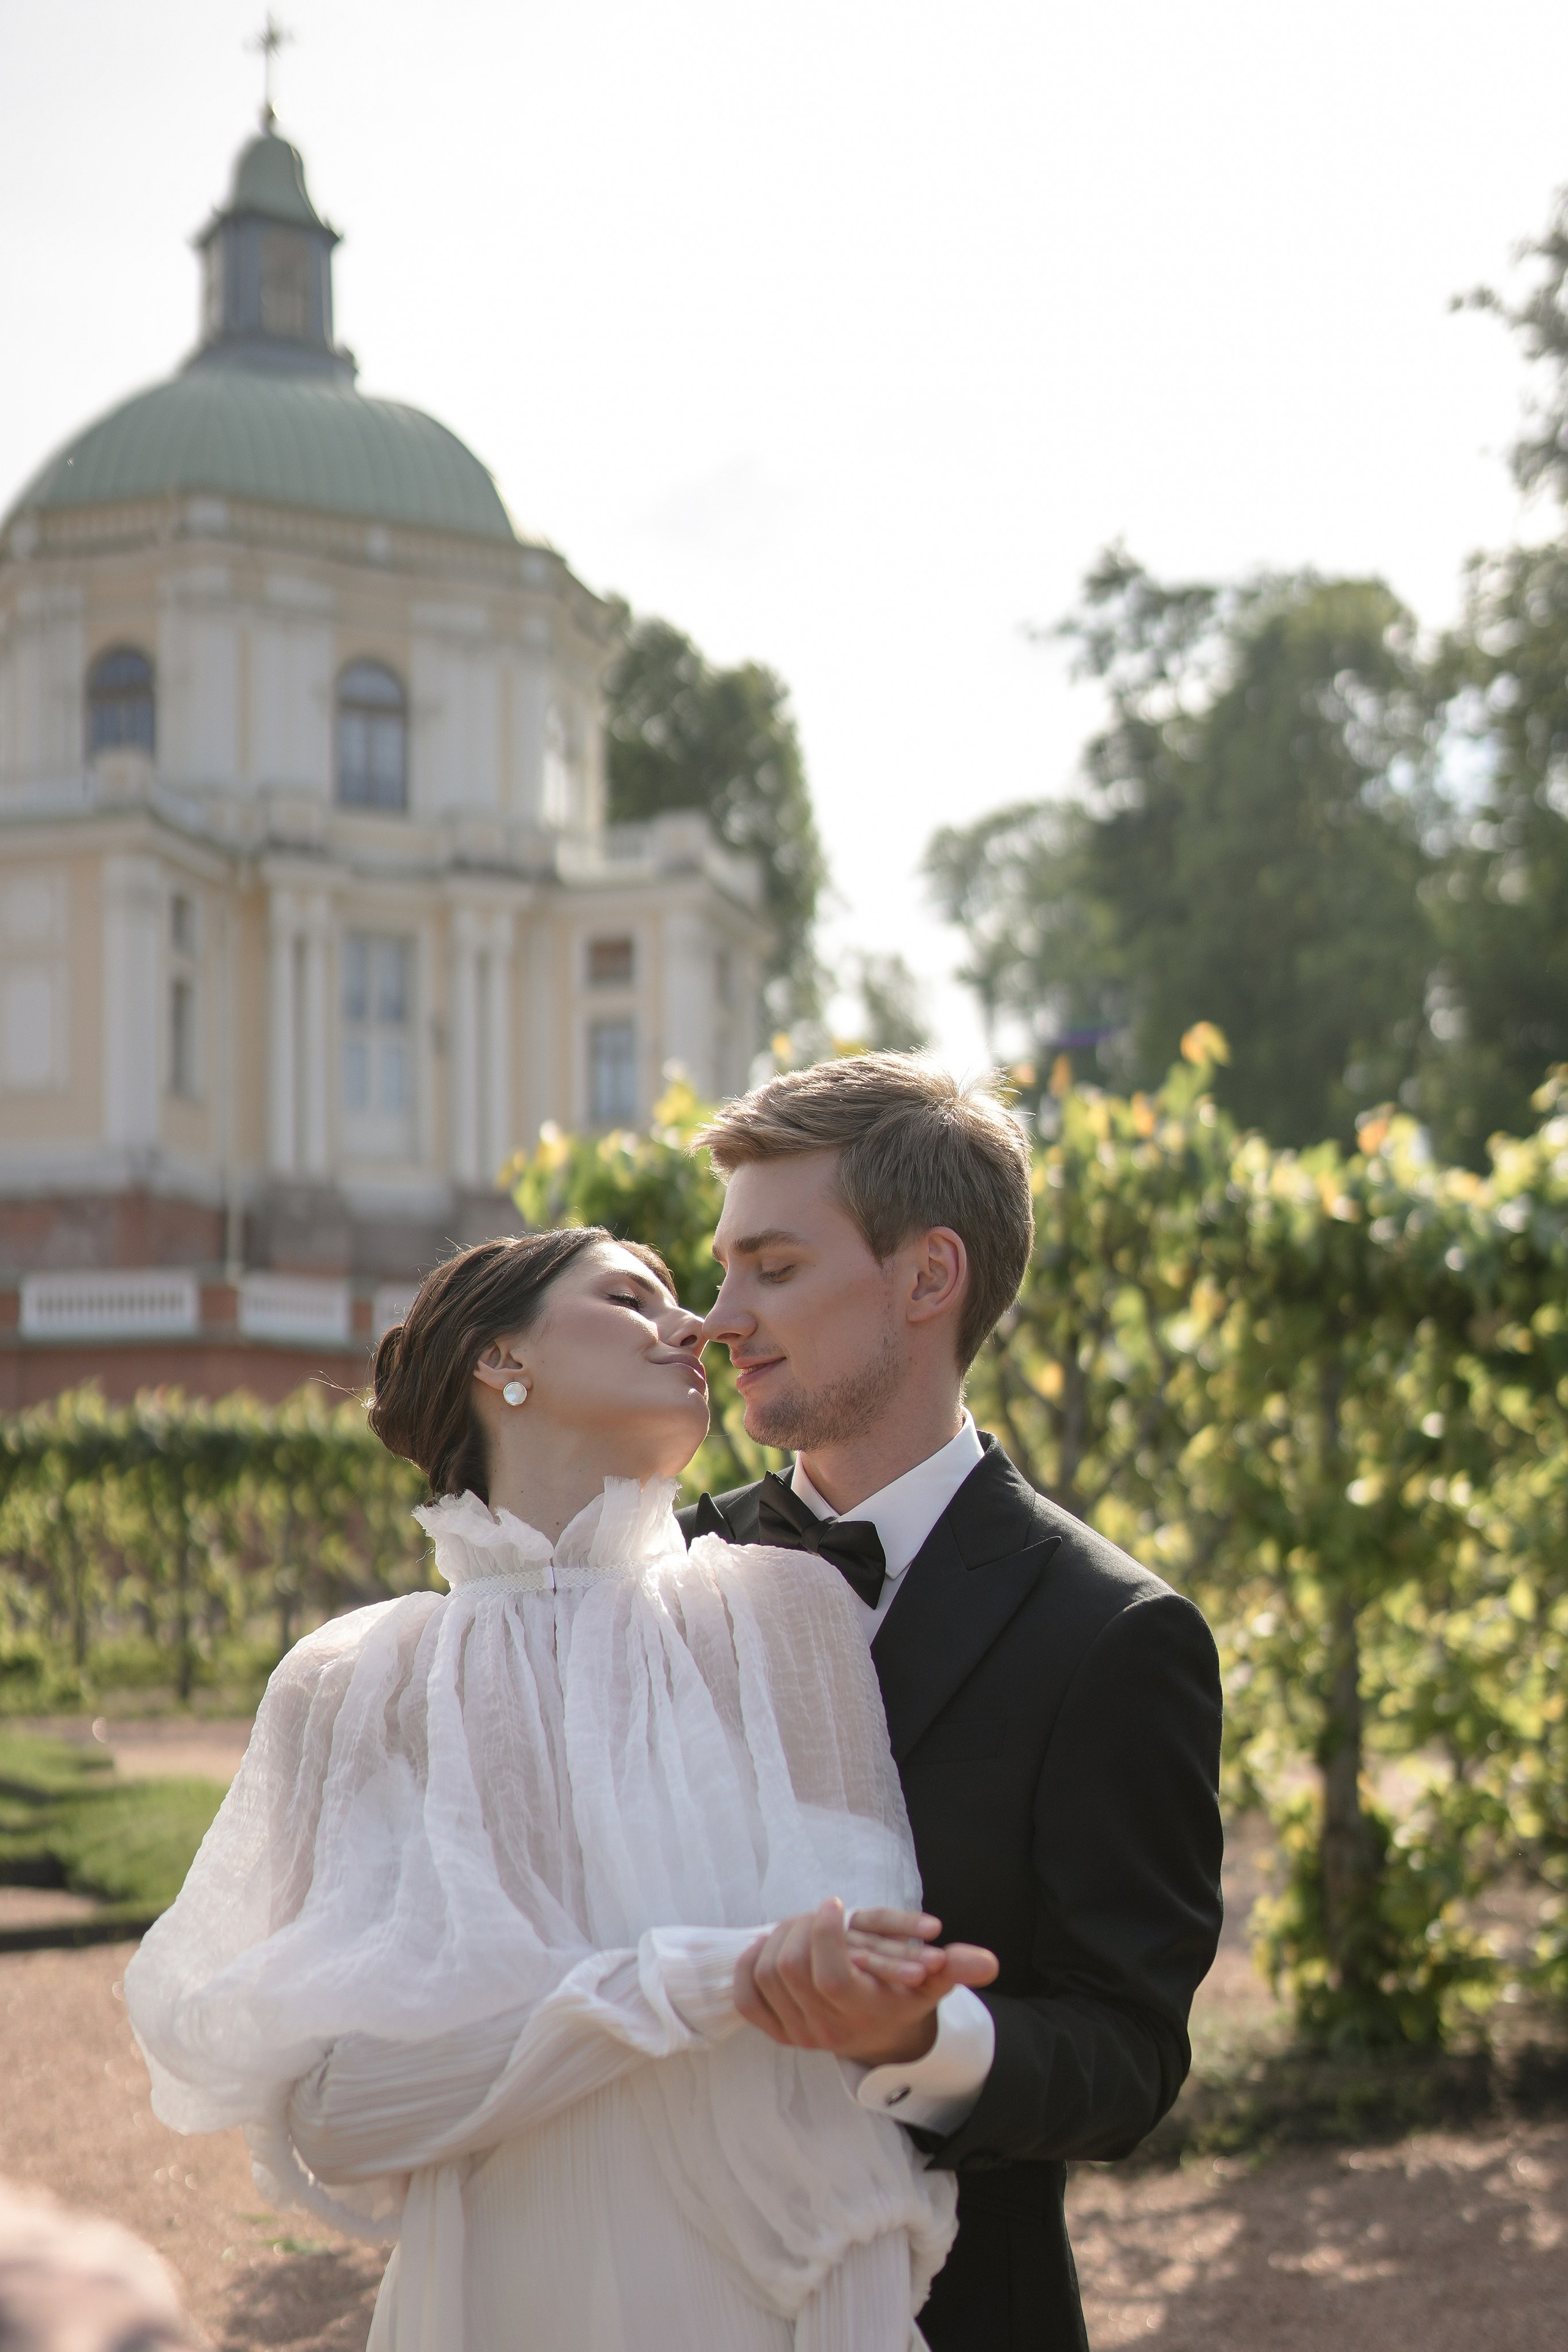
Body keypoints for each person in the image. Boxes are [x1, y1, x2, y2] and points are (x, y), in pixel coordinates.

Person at [124, 1227, 992, 2352]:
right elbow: (338, 2116)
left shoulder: (787, 1614)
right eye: (635, 1297)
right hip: (495, 2302)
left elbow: (834, 2030)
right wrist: (696, 1981)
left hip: (777, 2298)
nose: (695, 1327)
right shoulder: (353, 1688)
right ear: (499, 1359)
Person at [677, 1054, 1225, 2352]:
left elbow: (1128, 2055)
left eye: (774, 1267)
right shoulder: (658, 1578)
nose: (718, 1316)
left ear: (927, 1279)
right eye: (721, 1269)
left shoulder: (1114, 1638)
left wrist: (930, 2035)